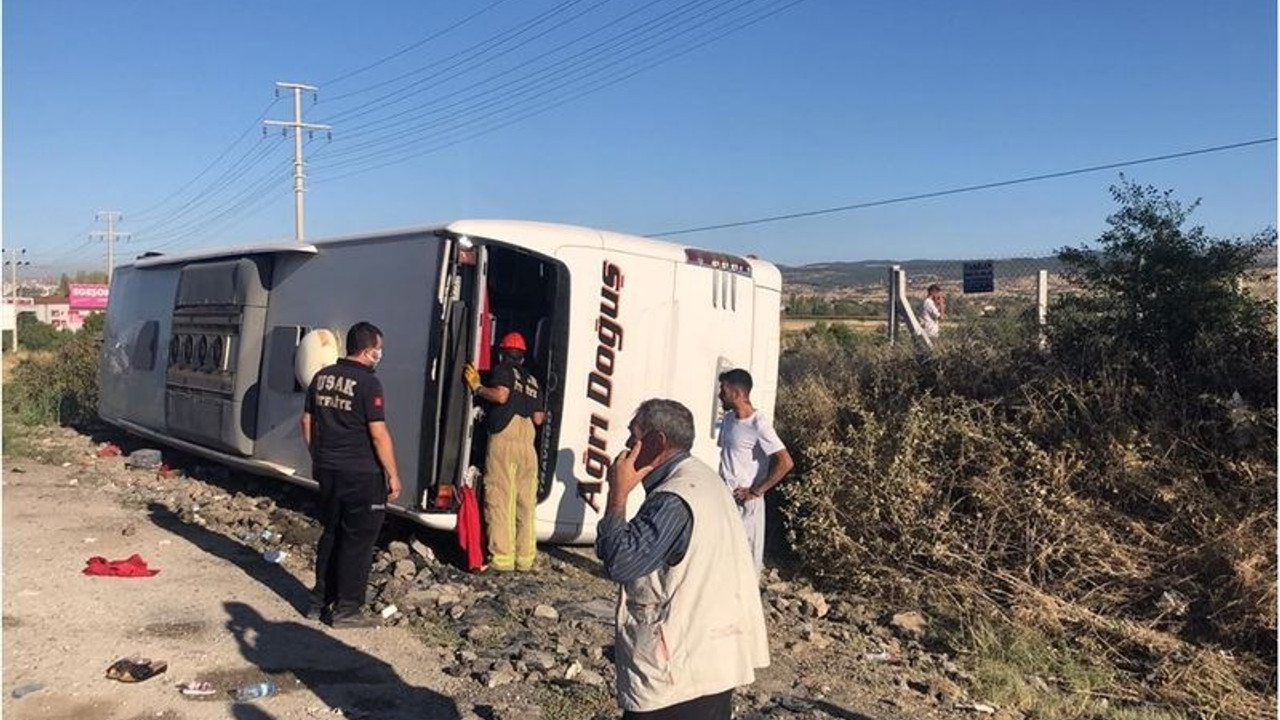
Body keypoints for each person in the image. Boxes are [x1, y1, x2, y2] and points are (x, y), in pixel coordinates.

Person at [596, 399, 769, 720]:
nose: (626, 446)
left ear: (656, 442)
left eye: (633, 437)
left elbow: (620, 562)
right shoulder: (704, 479)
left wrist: (617, 495)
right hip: (717, 657)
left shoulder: (673, 498)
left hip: (680, 667)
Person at [301, 321, 401, 628]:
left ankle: (318, 603)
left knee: (332, 533)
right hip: (362, 474)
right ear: (369, 350)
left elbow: (306, 422)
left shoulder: (321, 377)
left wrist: (317, 456)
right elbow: (378, 434)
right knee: (358, 540)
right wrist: (393, 474)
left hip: (328, 470)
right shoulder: (369, 384)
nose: (380, 355)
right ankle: (347, 609)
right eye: (378, 349)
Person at [463, 331, 545, 572]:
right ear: (522, 357)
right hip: (528, 448)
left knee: (500, 499)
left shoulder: (503, 370)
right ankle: (525, 558)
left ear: (502, 353)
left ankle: (502, 559)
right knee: (525, 503)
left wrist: (477, 387)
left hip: (504, 442)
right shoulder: (532, 380)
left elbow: (500, 395)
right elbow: (539, 418)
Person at [717, 368, 794, 577]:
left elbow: (785, 462)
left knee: (744, 564)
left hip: (746, 504)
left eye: (723, 390)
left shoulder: (759, 424)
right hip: (725, 500)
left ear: (737, 393)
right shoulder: (729, 419)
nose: (719, 395)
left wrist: (756, 491)